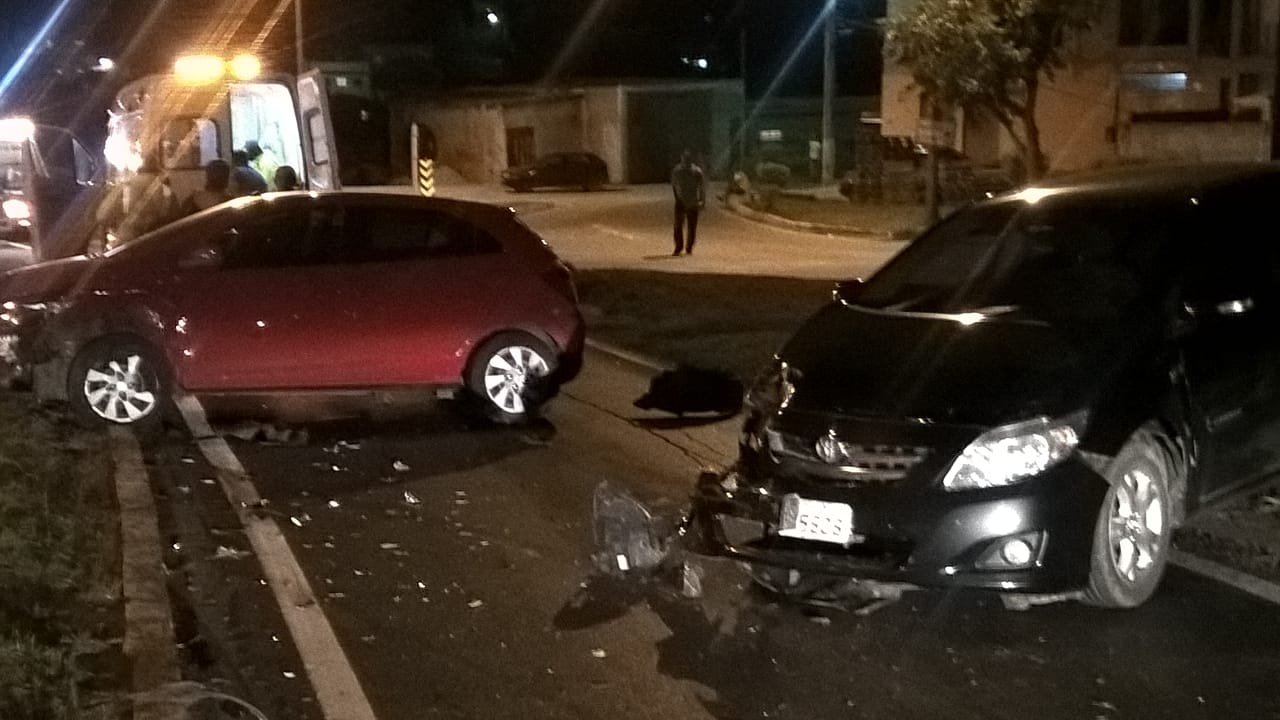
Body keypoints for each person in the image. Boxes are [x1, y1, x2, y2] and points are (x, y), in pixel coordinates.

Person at [670, 148, 706, 256]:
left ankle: (686, 247)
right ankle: (681, 247)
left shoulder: (695, 172)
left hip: (689, 201)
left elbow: (701, 187)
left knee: (688, 226)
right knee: (682, 226)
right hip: (686, 201)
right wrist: (702, 200)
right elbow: (674, 185)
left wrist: (702, 200)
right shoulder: (679, 171)